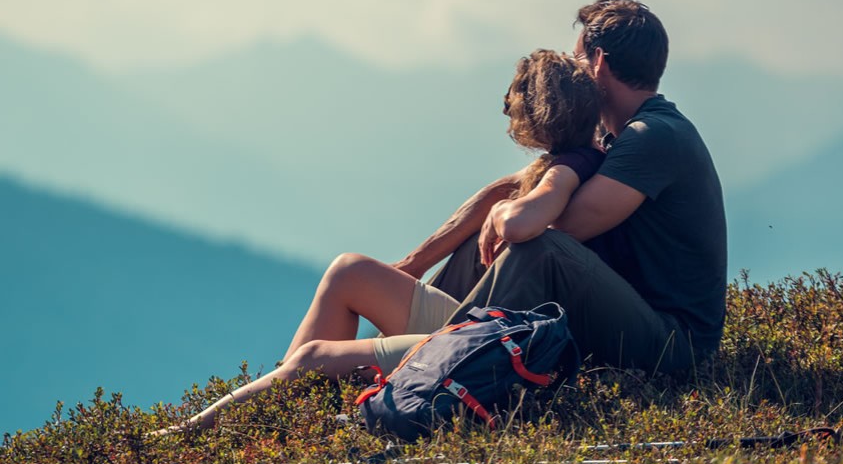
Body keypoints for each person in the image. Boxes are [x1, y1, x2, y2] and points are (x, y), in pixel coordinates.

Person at [158, 50, 603, 432]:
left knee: (314, 355)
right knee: (349, 271)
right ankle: (284, 404)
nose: (507, 108)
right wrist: (411, 266)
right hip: (486, 326)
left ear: (541, 108)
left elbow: (521, 218)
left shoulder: (568, 170)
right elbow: (496, 193)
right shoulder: (563, 161)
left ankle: (195, 432)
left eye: (516, 98)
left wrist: (503, 216)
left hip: (493, 343)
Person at [443, 0, 728, 378]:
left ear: (598, 62)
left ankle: (443, 360)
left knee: (541, 249)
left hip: (675, 344)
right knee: (500, 242)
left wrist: (506, 214)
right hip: (636, 316)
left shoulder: (653, 135)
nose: (575, 75)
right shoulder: (621, 136)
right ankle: (430, 340)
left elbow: (563, 229)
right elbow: (521, 189)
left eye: (578, 61)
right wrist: (420, 262)